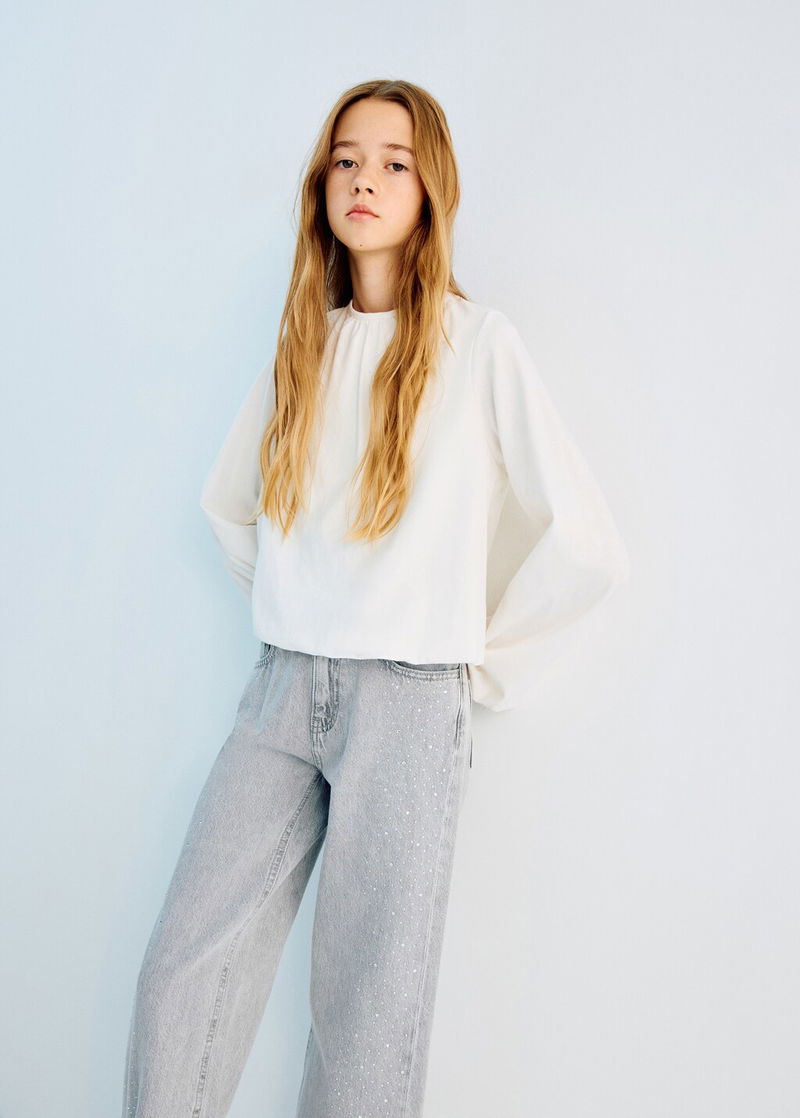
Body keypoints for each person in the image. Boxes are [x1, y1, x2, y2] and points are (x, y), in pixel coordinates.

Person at [121, 78, 630, 1118]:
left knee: (365, 1019)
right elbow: (228, 508)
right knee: (181, 970)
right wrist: (300, 601)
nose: (366, 178)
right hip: (280, 695)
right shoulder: (303, 346)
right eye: (347, 160)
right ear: (322, 187)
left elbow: (585, 545)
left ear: (430, 188)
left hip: (408, 704)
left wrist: (471, 663)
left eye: (394, 162)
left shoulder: (477, 345)